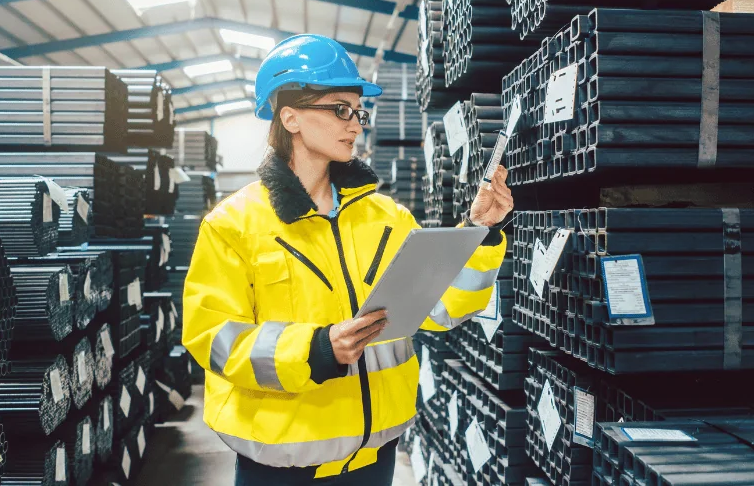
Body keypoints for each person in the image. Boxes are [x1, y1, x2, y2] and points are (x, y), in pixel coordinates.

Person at [182, 34, 514, 485]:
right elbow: (213, 338)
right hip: (282, 465)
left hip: (375, 459)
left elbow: (439, 308)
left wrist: (482, 231)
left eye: (359, 112)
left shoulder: (387, 217)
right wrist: (316, 350)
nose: (356, 125)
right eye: (340, 109)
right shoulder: (232, 224)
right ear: (291, 116)